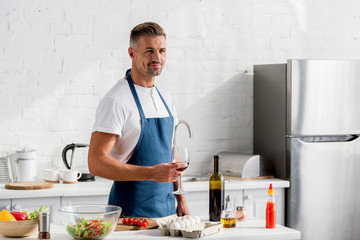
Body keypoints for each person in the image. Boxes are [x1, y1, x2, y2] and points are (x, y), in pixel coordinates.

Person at [88, 22, 190, 218]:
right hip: (130, 215)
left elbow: (171, 152)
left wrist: (181, 199)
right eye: (149, 51)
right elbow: (96, 163)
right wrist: (152, 173)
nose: (157, 58)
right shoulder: (116, 100)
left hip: (168, 213)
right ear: (132, 53)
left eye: (162, 50)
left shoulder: (166, 98)